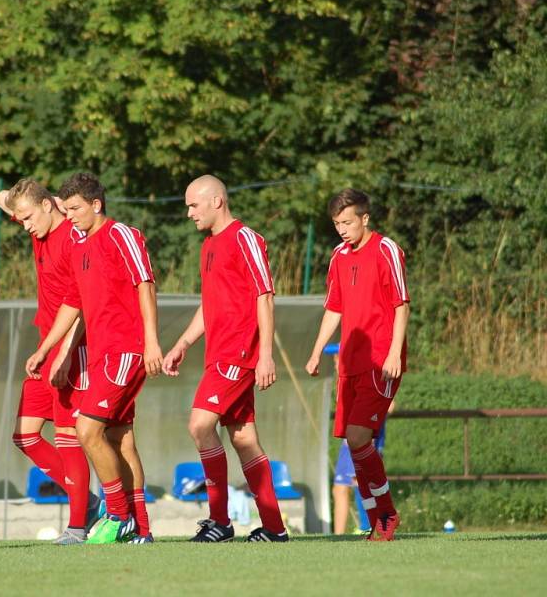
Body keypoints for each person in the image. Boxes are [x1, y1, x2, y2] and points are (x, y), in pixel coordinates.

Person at [25, 172, 162, 544]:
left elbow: (145, 284)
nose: (68, 216)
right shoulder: (81, 246)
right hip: (102, 355)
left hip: (125, 351)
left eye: (74, 209)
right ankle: (142, 530)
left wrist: (151, 342)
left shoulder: (121, 235)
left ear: (96, 205)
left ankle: (117, 515)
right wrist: (46, 349)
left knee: (86, 430)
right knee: (121, 440)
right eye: (64, 209)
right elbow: (73, 303)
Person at [163, 175, 288, 543]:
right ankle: (275, 529)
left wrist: (265, 354)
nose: (189, 213)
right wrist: (183, 342)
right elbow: (210, 304)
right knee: (244, 438)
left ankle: (220, 521)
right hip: (218, 354)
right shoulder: (208, 247)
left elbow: (265, 295)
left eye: (193, 204)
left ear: (217, 201)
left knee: (199, 426)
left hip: (239, 353)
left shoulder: (245, 238)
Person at [0, 179, 100, 545]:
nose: (22, 225)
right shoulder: (37, 223)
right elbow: (2, 199)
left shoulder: (73, 239)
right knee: (24, 434)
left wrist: (68, 354)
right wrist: (23, 204)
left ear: (45, 206)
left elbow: (84, 304)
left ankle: (77, 525)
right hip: (46, 345)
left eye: (26, 217)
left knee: (68, 437)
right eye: (18, 217)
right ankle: (87, 501)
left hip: (72, 347)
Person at [305, 188, 409, 541]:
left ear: (365, 218)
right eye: (337, 224)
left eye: (348, 222)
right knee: (354, 443)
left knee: (358, 436)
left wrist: (395, 352)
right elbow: (334, 307)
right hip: (348, 362)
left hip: (380, 360)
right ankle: (377, 519)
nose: (342, 229)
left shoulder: (386, 250)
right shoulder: (338, 256)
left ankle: (386, 515)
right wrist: (318, 350)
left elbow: (401, 304)